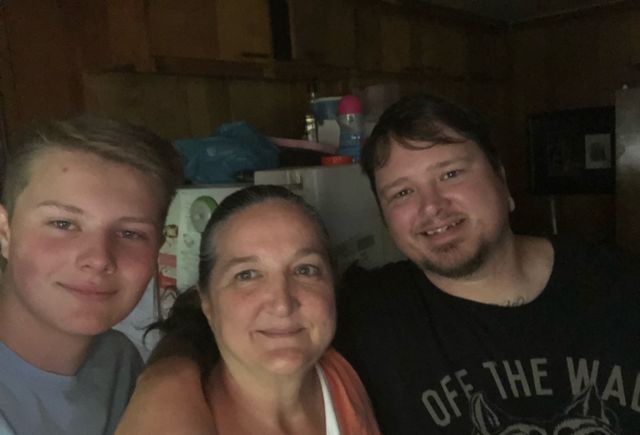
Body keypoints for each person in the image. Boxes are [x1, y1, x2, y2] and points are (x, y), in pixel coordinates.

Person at [116, 94, 640, 434]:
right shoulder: (369, 312)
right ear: (386, 217)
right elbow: (216, 317)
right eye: (402, 192)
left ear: (501, 179)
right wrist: (164, 383)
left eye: (451, 174)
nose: (432, 207)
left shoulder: (620, 283)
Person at [116, 185, 380, 434]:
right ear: (207, 302)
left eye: (305, 270)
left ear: (332, 284)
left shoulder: (341, 375)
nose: (282, 304)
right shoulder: (174, 422)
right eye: (247, 275)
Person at [0, 116, 182, 435]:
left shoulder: (119, 363)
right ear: (5, 232)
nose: (99, 259)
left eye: (130, 233)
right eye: (63, 224)